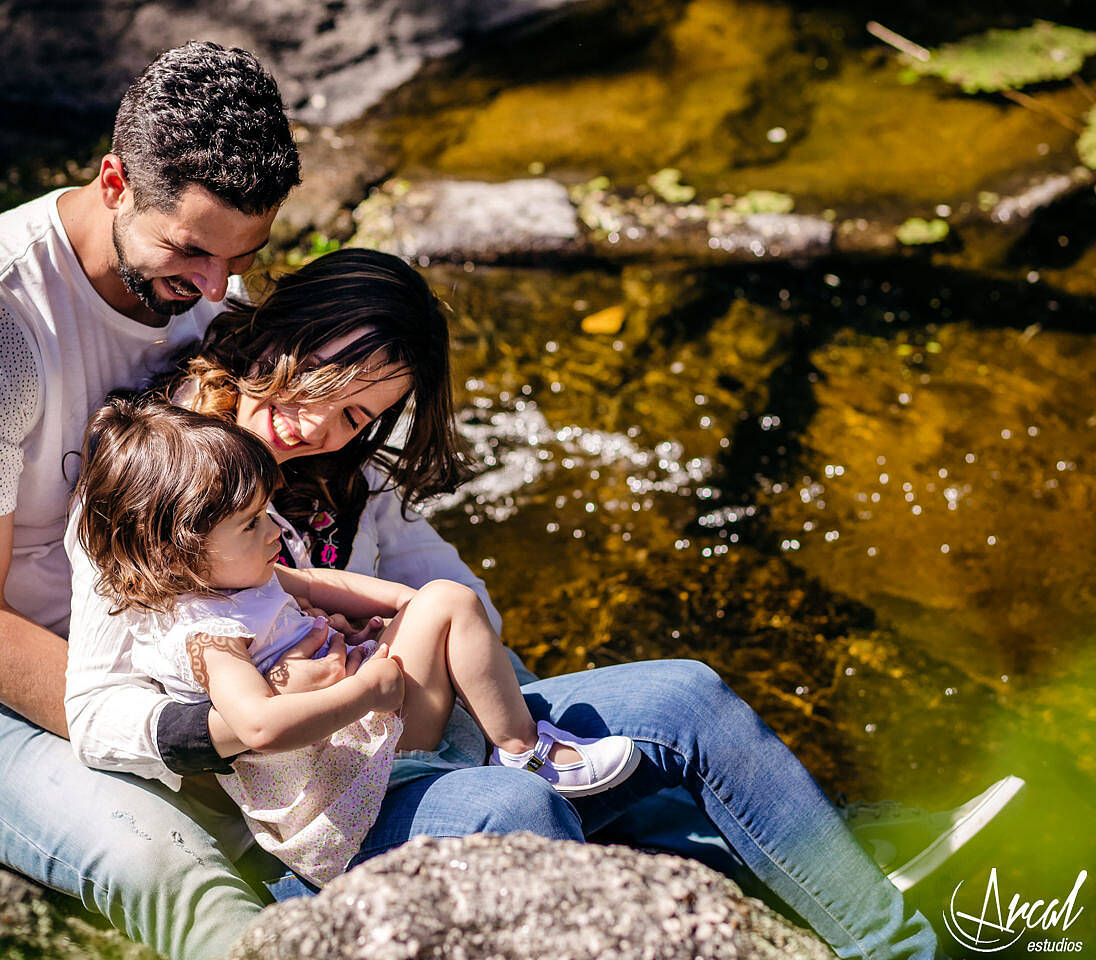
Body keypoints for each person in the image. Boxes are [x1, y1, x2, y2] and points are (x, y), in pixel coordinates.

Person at [65, 247, 947, 960]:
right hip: (328, 811)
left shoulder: (345, 475)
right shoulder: (158, 493)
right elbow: (96, 713)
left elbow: (455, 595)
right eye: (323, 383)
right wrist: (246, 716)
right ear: (278, 334)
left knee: (688, 697)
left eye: (358, 415)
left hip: (417, 726)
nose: (320, 427)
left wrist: (429, 655)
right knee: (518, 811)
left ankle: (893, 945)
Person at [0, 41, 315, 960]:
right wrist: (190, 737)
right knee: (173, 873)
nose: (216, 290)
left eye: (242, 256)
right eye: (191, 252)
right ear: (114, 181)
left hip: (160, 643)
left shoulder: (203, 292)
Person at [64, 399, 641, 885]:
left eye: (266, 512)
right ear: (175, 551)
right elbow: (258, 726)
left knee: (440, 602)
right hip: (343, 786)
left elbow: (321, 583)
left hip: (362, 742)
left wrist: (402, 606)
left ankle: (513, 743)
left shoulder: (240, 576)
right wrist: (366, 691)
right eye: (251, 523)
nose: (273, 529)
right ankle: (525, 752)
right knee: (450, 601)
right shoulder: (207, 634)